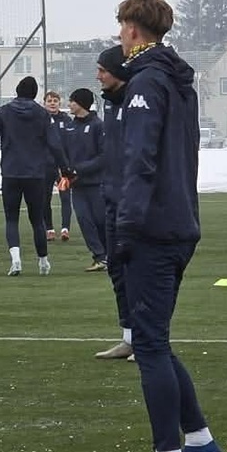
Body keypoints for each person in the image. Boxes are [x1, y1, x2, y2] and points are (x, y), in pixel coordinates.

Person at [109, 0, 222, 452]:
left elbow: (140, 161)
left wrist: (125, 227)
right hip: (180, 223)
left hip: (152, 229)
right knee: (159, 339)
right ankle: (199, 442)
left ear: (134, 29)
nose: (118, 35)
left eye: (120, 26)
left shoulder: (147, 83)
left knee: (148, 344)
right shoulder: (178, 82)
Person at [0, 76, 70, 275]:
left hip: (10, 172)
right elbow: (54, 144)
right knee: (37, 219)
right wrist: (65, 168)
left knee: (11, 218)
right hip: (35, 174)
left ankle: (15, 259)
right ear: (35, 94)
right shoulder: (42, 115)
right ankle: (43, 261)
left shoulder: (4, 112)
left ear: (17, 91)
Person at [94, 46, 134, 360]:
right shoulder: (110, 105)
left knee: (139, 272)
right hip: (112, 199)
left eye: (102, 70)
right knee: (116, 270)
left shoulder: (137, 101)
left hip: (133, 202)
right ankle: (129, 337)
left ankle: (147, 339)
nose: (98, 75)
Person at [63, 88, 108, 267]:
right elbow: (64, 152)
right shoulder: (70, 126)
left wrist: (79, 169)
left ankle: (109, 255)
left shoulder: (98, 125)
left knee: (101, 221)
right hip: (77, 186)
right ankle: (99, 256)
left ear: (81, 103)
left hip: (96, 184)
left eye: (72, 101)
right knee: (84, 220)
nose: (69, 104)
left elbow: (104, 157)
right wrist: (63, 171)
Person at [42, 91, 72, 242]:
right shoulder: (40, 119)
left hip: (62, 166)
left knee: (65, 196)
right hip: (46, 166)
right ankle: (49, 229)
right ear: (44, 103)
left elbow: (70, 142)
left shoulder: (66, 120)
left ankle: (65, 229)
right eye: (49, 101)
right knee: (44, 198)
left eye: (55, 101)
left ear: (59, 103)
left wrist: (67, 163)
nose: (52, 103)